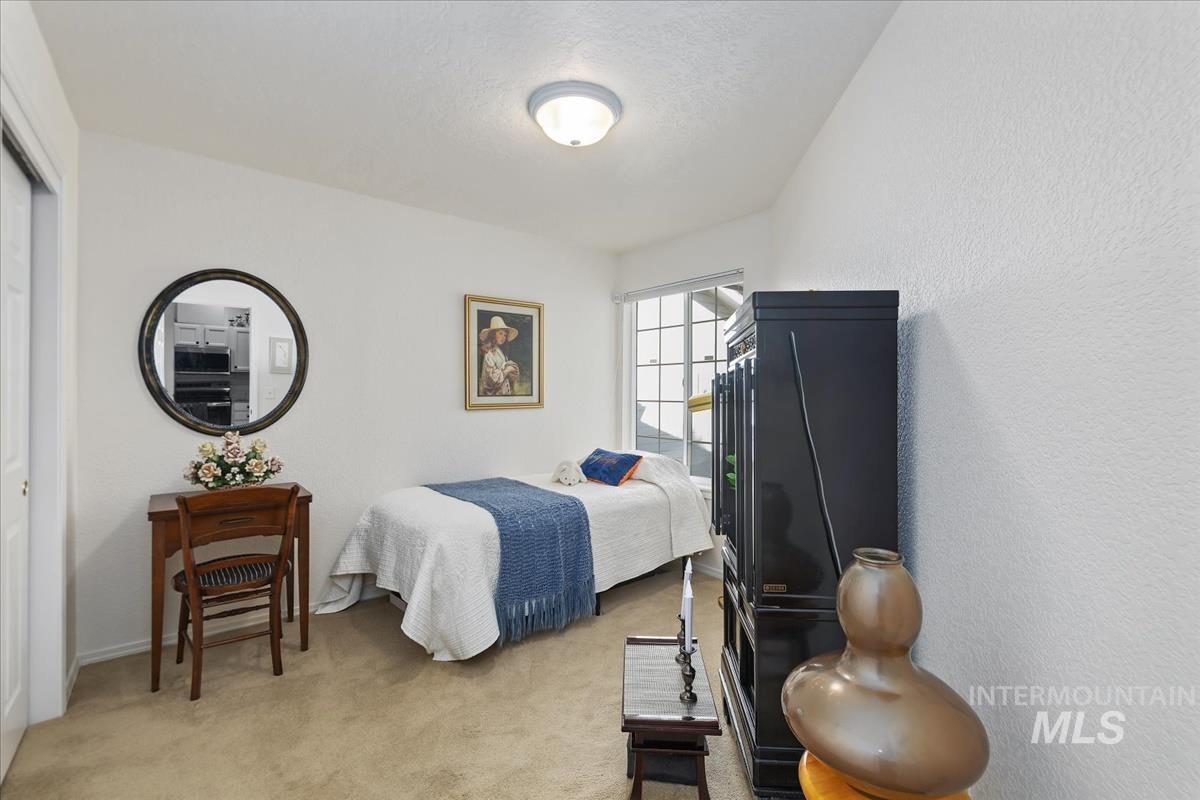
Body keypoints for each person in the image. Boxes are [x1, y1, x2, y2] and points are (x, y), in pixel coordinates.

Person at [479, 315, 521, 396]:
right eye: (500, 333)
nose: (503, 337)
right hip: (493, 395)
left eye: (505, 335)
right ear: (493, 334)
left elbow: (505, 372)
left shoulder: (500, 351)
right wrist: (508, 370)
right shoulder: (489, 353)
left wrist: (512, 368)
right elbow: (491, 380)